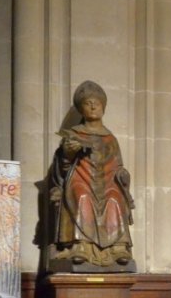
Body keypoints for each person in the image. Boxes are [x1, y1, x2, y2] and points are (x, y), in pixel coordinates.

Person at [46, 80, 135, 269]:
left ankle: (118, 246)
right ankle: (81, 246)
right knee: (81, 196)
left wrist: (123, 175)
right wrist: (70, 152)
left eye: (97, 103)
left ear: (104, 107)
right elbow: (63, 167)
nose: (93, 106)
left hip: (107, 183)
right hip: (81, 179)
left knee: (115, 198)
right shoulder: (73, 134)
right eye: (88, 103)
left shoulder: (111, 138)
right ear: (81, 109)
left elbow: (118, 166)